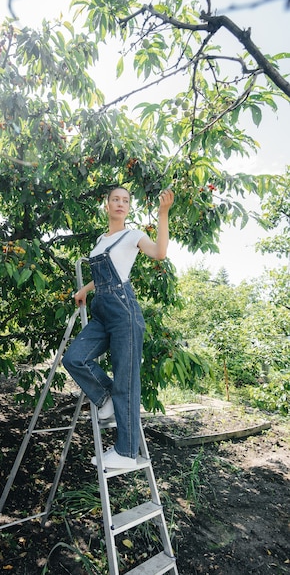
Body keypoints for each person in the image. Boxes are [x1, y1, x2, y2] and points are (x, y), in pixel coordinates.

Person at [62, 185, 174, 469]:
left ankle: (125, 451)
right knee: (74, 358)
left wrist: (163, 214)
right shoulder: (101, 240)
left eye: (125, 200)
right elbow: (104, 274)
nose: (120, 204)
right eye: (116, 199)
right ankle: (105, 397)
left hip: (124, 312)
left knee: (126, 381)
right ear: (107, 204)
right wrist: (85, 289)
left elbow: (159, 253)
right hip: (102, 311)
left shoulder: (133, 235)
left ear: (129, 206)